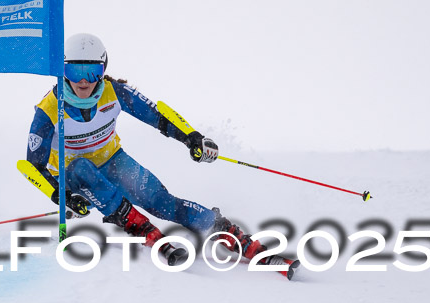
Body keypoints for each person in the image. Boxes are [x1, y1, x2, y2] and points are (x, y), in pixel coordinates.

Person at [26, 33, 298, 277]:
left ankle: (234, 236)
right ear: (62, 71)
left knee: (162, 202)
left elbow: (158, 116)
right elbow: (33, 165)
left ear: (103, 70)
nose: (83, 80)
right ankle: (141, 227)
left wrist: (192, 137)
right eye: (74, 71)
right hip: (75, 180)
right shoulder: (49, 109)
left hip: (112, 161)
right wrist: (60, 195)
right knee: (80, 167)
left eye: (91, 70)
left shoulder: (114, 92)